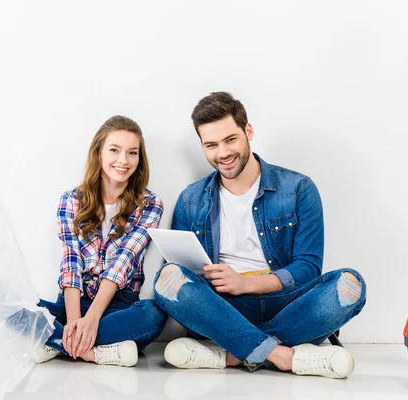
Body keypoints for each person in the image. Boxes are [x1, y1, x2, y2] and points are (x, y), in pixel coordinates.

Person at [153, 92, 366, 378]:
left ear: (248, 132)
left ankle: (231, 354)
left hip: (288, 304)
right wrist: (219, 284)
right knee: (166, 279)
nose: (223, 153)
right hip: (223, 308)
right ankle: (284, 356)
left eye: (230, 140)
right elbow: (178, 269)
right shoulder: (191, 199)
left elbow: (307, 268)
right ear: (203, 146)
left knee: (351, 285)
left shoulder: (299, 188)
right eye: (212, 145)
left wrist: (244, 283)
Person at [9, 115, 167, 367]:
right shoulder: (71, 199)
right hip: (74, 300)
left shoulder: (150, 204)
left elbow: (122, 263)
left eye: (132, 153)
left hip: (118, 303)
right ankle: (92, 350)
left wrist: (92, 320)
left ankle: (57, 342)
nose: (123, 160)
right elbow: (71, 261)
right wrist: (74, 321)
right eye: (114, 150)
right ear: (99, 152)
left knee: (154, 313)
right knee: (4, 303)